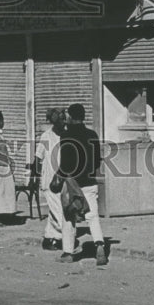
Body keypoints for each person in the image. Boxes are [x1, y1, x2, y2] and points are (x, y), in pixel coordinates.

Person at [55, 103, 108, 266]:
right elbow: (98, 161)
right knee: (92, 216)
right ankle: (99, 246)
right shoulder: (92, 134)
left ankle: (68, 253)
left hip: (72, 184)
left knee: (69, 217)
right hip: (90, 182)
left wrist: (59, 177)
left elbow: (65, 164)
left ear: (70, 117)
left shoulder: (65, 136)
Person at [33, 107, 65, 251]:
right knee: (59, 212)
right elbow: (37, 157)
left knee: (55, 211)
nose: (63, 122)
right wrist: (35, 178)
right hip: (49, 180)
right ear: (54, 121)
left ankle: (48, 239)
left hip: (62, 179)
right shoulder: (46, 136)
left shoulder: (65, 135)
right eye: (60, 119)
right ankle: (64, 239)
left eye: (64, 119)